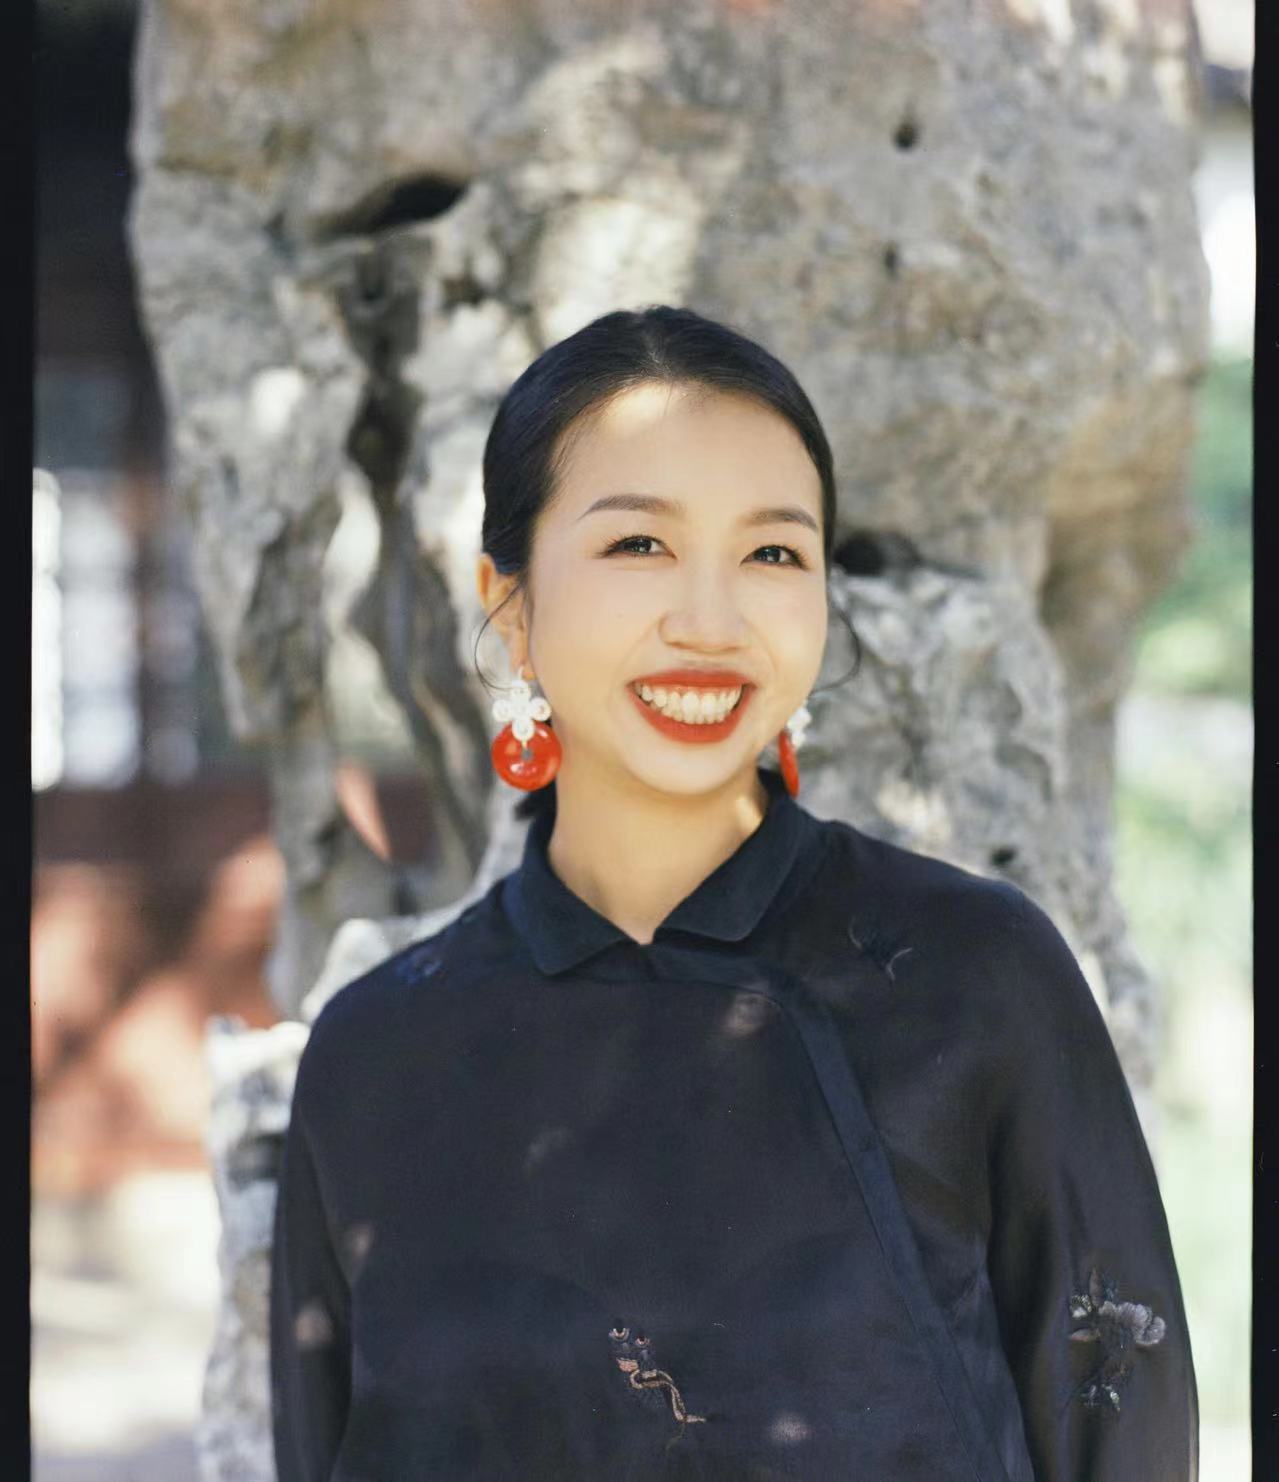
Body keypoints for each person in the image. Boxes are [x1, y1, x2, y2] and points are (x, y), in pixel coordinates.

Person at [269, 305, 1198, 1480]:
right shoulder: (375, 1056)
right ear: (508, 603)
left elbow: (1123, 1426)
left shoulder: (975, 979)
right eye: (637, 546)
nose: (709, 622)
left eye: (772, 553)